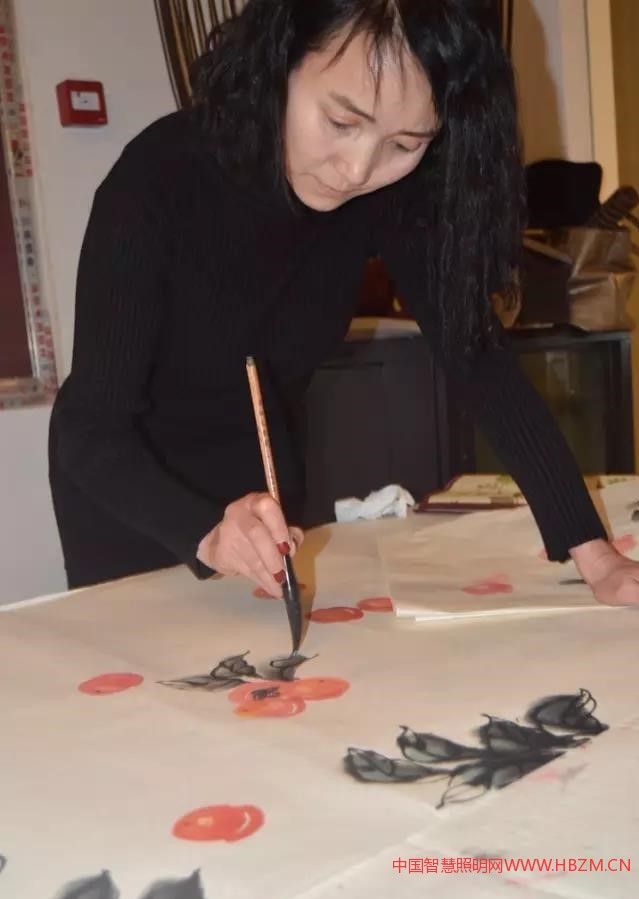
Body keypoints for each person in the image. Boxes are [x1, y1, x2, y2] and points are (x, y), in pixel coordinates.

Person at [48, 0, 639, 606]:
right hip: (131, 490)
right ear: (282, 59)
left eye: (405, 143)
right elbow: (90, 428)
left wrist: (596, 557)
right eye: (340, 121)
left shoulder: (390, 192)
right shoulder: (159, 178)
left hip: (264, 482)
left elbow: (479, 361)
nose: (358, 170)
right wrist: (205, 532)